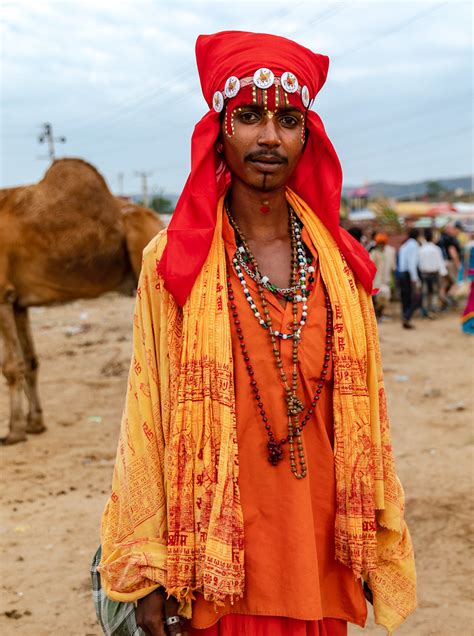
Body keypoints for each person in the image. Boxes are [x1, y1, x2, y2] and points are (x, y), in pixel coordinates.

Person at [94, 31, 416, 636]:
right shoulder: (174, 262)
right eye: (248, 116)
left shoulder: (341, 266)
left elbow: (370, 414)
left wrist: (371, 521)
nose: (269, 137)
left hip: (321, 555)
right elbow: (146, 418)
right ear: (220, 128)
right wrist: (149, 570)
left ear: (306, 136)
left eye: (287, 119)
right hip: (218, 568)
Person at [418, 227, 447, 317]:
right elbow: (440, 262)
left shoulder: (421, 249)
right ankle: (433, 309)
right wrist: (443, 274)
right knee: (434, 292)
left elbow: (418, 263)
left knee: (425, 292)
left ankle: (425, 310)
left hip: (424, 274)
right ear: (432, 238)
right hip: (434, 274)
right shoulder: (436, 249)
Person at [397, 228, 421, 329]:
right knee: (416, 298)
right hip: (408, 274)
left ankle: (405, 317)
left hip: (401, 273)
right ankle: (407, 317)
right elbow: (412, 263)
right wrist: (414, 278)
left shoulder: (404, 244)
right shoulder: (413, 245)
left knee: (405, 298)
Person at [369, 232, 396, 319]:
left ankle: (380, 314)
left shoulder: (391, 251)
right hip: (376, 280)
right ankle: (377, 315)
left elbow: (393, 267)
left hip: (386, 279)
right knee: (376, 298)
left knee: (385, 298)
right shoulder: (374, 252)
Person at [438, 222, 462, 306]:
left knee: (445, 284)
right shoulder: (450, 238)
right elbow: (452, 251)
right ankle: (448, 298)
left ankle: (443, 302)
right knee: (457, 282)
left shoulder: (441, 238)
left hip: (443, 263)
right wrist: (458, 264)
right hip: (450, 263)